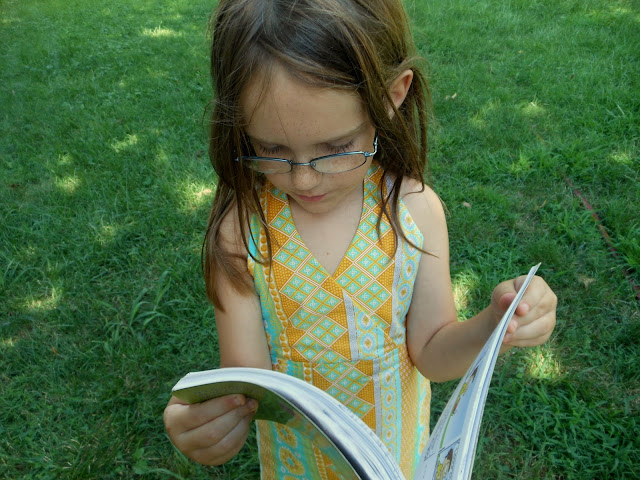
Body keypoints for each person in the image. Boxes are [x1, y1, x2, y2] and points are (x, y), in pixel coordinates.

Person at [163, 0, 557, 478]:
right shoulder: (241, 232)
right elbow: (248, 389)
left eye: (336, 147)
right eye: (271, 148)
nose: (305, 179)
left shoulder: (415, 212)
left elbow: (433, 352)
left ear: (392, 95)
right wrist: (207, 427)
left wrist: (495, 325)